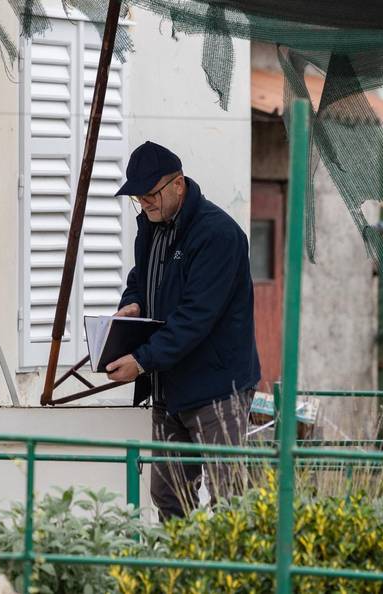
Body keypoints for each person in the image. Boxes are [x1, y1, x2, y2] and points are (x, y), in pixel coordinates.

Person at [105, 141, 261, 520]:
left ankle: (236, 578)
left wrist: (141, 362)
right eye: (138, 197)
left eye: (151, 194)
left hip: (218, 389)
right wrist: (134, 302)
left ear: (179, 185)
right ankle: (183, 575)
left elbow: (196, 316)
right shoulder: (152, 227)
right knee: (170, 496)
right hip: (170, 386)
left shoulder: (218, 234)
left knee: (232, 497)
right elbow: (140, 278)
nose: (145, 203)